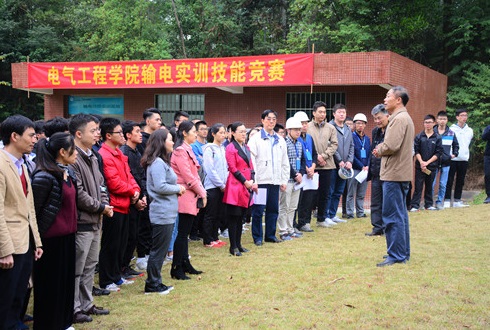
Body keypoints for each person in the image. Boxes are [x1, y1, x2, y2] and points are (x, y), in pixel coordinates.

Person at [31, 132, 78, 329]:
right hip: (50, 240)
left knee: (66, 283)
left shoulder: (67, 173)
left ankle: (64, 322)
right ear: (62, 152)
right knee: (51, 286)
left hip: (68, 235)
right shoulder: (44, 177)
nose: (76, 153)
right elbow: (34, 211)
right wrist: (36, 241)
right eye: (73, 150)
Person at [0, 115, 43, 330]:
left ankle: (16, 323)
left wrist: (37, 242)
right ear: (14, 136)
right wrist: (4, 250)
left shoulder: (23, 165)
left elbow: (29, 207)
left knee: (21, 291)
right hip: (10, 243)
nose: (35, 139)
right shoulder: (1, 164)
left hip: (26, 241)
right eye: (30, 135)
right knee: (7, 294)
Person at [69, 114, 112, 324]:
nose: (98, 134)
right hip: (83, 221)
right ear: (78, 134)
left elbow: (102, 185)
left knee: (90, 265)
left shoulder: (93, 157)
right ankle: (74, 307)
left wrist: (104, 203)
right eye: (93, 130)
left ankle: (87, 304)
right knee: (77, 267)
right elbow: (78, 194)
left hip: (97, 220)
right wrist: (101, 207)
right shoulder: (72, 157)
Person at [373, 86, 414, 267]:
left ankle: (396, 255)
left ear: (398, 100)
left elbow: (391, 145)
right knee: (400, 215)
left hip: (394, 174)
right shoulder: (404, 117)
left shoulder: (398, 119)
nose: (385, 99)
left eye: (388, 96)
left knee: (392, 216)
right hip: (400, 173)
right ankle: (401, 252)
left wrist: (379, 149)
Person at [98, 117, 141, 291]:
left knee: (121, 245)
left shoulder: (119, 154)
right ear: (108, 135)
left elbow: (129, 176)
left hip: (125, 205)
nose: (122, 136)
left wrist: (136, 189)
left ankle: (116, 277)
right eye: (119, 133)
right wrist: (132, 192)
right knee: (111, 245)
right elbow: (113, 183)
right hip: (114, 206)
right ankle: (107, 279)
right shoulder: (105, 155)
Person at [142, 128, 185, 294]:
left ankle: (156, 281)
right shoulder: (157, 163)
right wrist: (178, 188)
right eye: (169, 139)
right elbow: (160, 186)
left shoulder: (161, 161)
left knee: (160, 250)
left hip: (167, 211)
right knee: (158, 251)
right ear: (161, 142)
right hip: (161, 212)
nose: (173, 142)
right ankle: (152, 284)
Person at [170, 121, 207, 280]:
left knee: (184, 234)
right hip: (185, 195)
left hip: (190, 194)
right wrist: (202, 193)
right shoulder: (180, 151)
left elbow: (194, 175)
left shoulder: (187, 149)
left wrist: (200, 191)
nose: (195, 134)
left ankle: (185, 264)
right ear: (184, 133)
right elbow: (188, 177)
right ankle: (177, 268)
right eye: (193, 131)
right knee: (182, 233)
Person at [248, 109, 290, 245]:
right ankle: (258, 237)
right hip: (261, 181)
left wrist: (284, 180)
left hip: (275, 180)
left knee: (273, 209)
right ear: (262, 120)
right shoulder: (255, 139)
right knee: (258, 211)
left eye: (273, 119)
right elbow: (251, 161)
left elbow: (285, 161)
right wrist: (254, 180)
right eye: (268, 119)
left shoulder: (280, 140)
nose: (271, 121)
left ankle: (270, 235)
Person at [298, 102, 338, 230]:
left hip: (327, 165)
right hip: (311, 166)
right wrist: (317, 158)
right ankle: (306, 220)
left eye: (324, 112)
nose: (322, 114)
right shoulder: (306, 127)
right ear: (314, 113)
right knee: (310, 194)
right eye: (320, 112)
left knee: (325, 193)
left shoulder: (331, 127)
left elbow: (334, 144)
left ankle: (322, 218)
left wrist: (323, 156)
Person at [134, 108, 163, 271]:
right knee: (144, 223)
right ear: (148, 121)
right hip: (145, 184)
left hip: (154, 183)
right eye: (157, 120)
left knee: (153, 223)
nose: (159, 122)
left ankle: (152, 254)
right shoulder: (142, 141)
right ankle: (141, 256)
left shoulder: (154, 138)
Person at [223, 122, 258, 256]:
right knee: (234, 217)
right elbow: (233, 168)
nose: (244, 134)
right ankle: (233, 246)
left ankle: (239, 244)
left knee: (241, 218)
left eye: (245, 131)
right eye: (241, 131)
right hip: (235, 186)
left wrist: (252, 180)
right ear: (232, 133)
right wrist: (245, 181)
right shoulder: (231, 148)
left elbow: (251, 165)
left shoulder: (247, 147)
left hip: (246, 185)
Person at [120, 121, 147, 278]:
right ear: (128, 135)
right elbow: (128, 177)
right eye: (137, 131)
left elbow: (140, 176)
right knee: (128, 236)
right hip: (130, 200)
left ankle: (126, 266)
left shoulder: (136, 152)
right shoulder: (125, 153)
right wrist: (135, 199)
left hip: (138, 196)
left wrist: (143, 196)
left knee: (134, 235)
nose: (140, 134)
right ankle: (122, 267)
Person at [277, 117, 306, 241]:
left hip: (297, 181)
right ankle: (283, 231)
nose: (298, 132)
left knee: (293, 206)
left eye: (299, 129)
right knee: (284, 206)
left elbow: (303, 160)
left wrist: (301, 173)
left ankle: (290, 229)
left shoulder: (299, 143)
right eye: (295, 130)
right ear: (288, 130)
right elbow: (285, 162)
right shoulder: (283, 143)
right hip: (287, 180)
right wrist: (295, 174)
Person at [201, 123, 228, 248]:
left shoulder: (223, 148)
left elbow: (226, 168)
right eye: (221, 132)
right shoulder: (209, 149)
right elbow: (210, 169)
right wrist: (220, 184)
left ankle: (215, 237)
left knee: (219, 213)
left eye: (224, 132)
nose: (223, 135)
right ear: (213, 134)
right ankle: (207, 240)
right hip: (212, 186)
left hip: (222, 186)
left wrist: (225, 183)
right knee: (210, 214)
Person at [409, 114, 443, 211]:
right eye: (426, 122)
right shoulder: (419, 136)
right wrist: (421, 162)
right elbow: (416, 151)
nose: (427, 124)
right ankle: (415, 205)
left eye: (430, 122)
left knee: (429, 186)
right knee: (418, 186)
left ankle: (428, 205)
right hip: (420, 166)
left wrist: (427, 163)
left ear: (434, 123)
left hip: (431, 166)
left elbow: (438, 152)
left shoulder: (437, 137)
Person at [326, 104, 354, 223]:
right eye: (339, 112)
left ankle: (333, 215)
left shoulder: (348, 128)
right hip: (333, 164)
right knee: (330, 191)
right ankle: (326, 215)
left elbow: (352, 146)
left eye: (344, 112)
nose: (342, 114)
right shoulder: (329, 127)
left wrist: (349, 161)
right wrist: (339, 160)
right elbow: (330, 145)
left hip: (345, 167)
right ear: (334, 114)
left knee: (338, 191)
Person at [365, 105, 389, 236]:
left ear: (387, 116)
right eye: (375, 118)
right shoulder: (375, 131)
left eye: (379, 118)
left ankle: (387, 228)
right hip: (375, 171)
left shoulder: (392, 130)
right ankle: (377, 227)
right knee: (375, 202)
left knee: (387, 203)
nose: (377, 121)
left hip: (387, 172)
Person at [293, 111, 317, 233]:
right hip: (300, 173)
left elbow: (314, 154)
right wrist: (306, 169)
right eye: (302, 123)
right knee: (297, 200)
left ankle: (305, 222)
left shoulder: (309, 138)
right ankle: (294, 224)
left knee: (308, 200)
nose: (304, 125)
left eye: (306, 123)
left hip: (310, 175)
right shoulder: (295, 139)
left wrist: (312, 167)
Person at [444, 109, 474, 207]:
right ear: (457, 117)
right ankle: (447, 200)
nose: (464, 117)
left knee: (460, 181)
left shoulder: (470, 130)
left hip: (464, 158)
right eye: (462, 115)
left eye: (465, 115)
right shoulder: (451, 129)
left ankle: (457, 200)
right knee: (449, 180)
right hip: (452, 158)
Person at [432, 111, 459, 210]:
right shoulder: (432, 132)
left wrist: (454, 154)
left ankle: (439, 202)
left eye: (444, 119)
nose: (442, 121)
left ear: (447, 120)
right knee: (432, 183)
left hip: (446, 162)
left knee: (443, 184)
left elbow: (456, 145)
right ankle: (430, 203)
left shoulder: (451, 132)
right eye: (440, 119)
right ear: (437, 120)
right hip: (433, 162)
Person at [346, 113, 371, 218]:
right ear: (354, 125)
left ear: (365, 125)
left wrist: (368, 166)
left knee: (361, 193)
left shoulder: (368, 139)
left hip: (365, 170)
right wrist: (361, 166)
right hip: (355, 169)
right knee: (351, 193)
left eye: (362, 123)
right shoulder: (351, 137)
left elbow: (370, 154)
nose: (360, 125)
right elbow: (351, 154)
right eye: (358, 123)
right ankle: (350, 213)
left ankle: (360, 213)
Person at [483, 125, 490, 204]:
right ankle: (489, 195)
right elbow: (484, 137)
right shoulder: (488, 127)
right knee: (488, 174)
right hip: (488, 155)